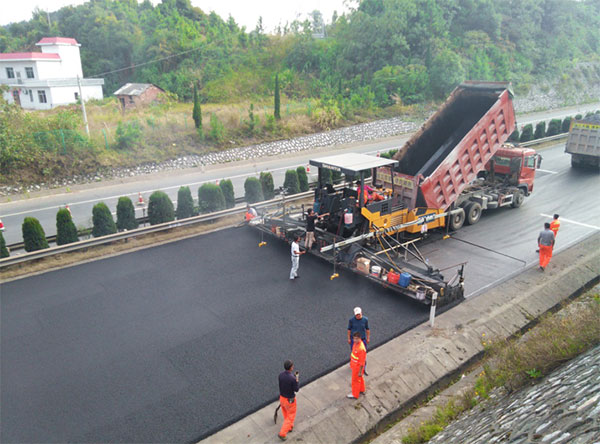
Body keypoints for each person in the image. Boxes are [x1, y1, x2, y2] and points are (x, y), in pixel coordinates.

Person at [278, 359, 299, 441]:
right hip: (290, 400)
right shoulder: (293, 379)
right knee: (290, 416)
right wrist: (296, 380)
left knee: (286, 413)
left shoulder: (280, 375)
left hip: (282, 398)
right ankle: (282, 433)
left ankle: (289, 427)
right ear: (291, 368)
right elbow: (296, 389)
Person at [347, 307, 370, 375]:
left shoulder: (365, 320)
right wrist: (349, 338)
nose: (358, 316)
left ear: (361, 313)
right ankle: (354, 366)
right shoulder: (351, 320)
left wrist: (368, 338)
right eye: (356, 315)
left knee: (362, 355)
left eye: (359, 314)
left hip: (362, 340)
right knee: (354, 353)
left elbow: (367, 329)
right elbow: (349, 330)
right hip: (354, 340)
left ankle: (363, 369)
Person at [347, 331, 367, 399]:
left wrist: (360, 372)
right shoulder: (355, 344)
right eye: (354, 338)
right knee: (359, 379)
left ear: (359, 338)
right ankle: (362, 389)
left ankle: (355, 394)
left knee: (355, 381)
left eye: (356, 339)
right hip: (354, 365)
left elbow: (362, 362)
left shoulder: (361, 349)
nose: (355, 340)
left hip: (357, 368)